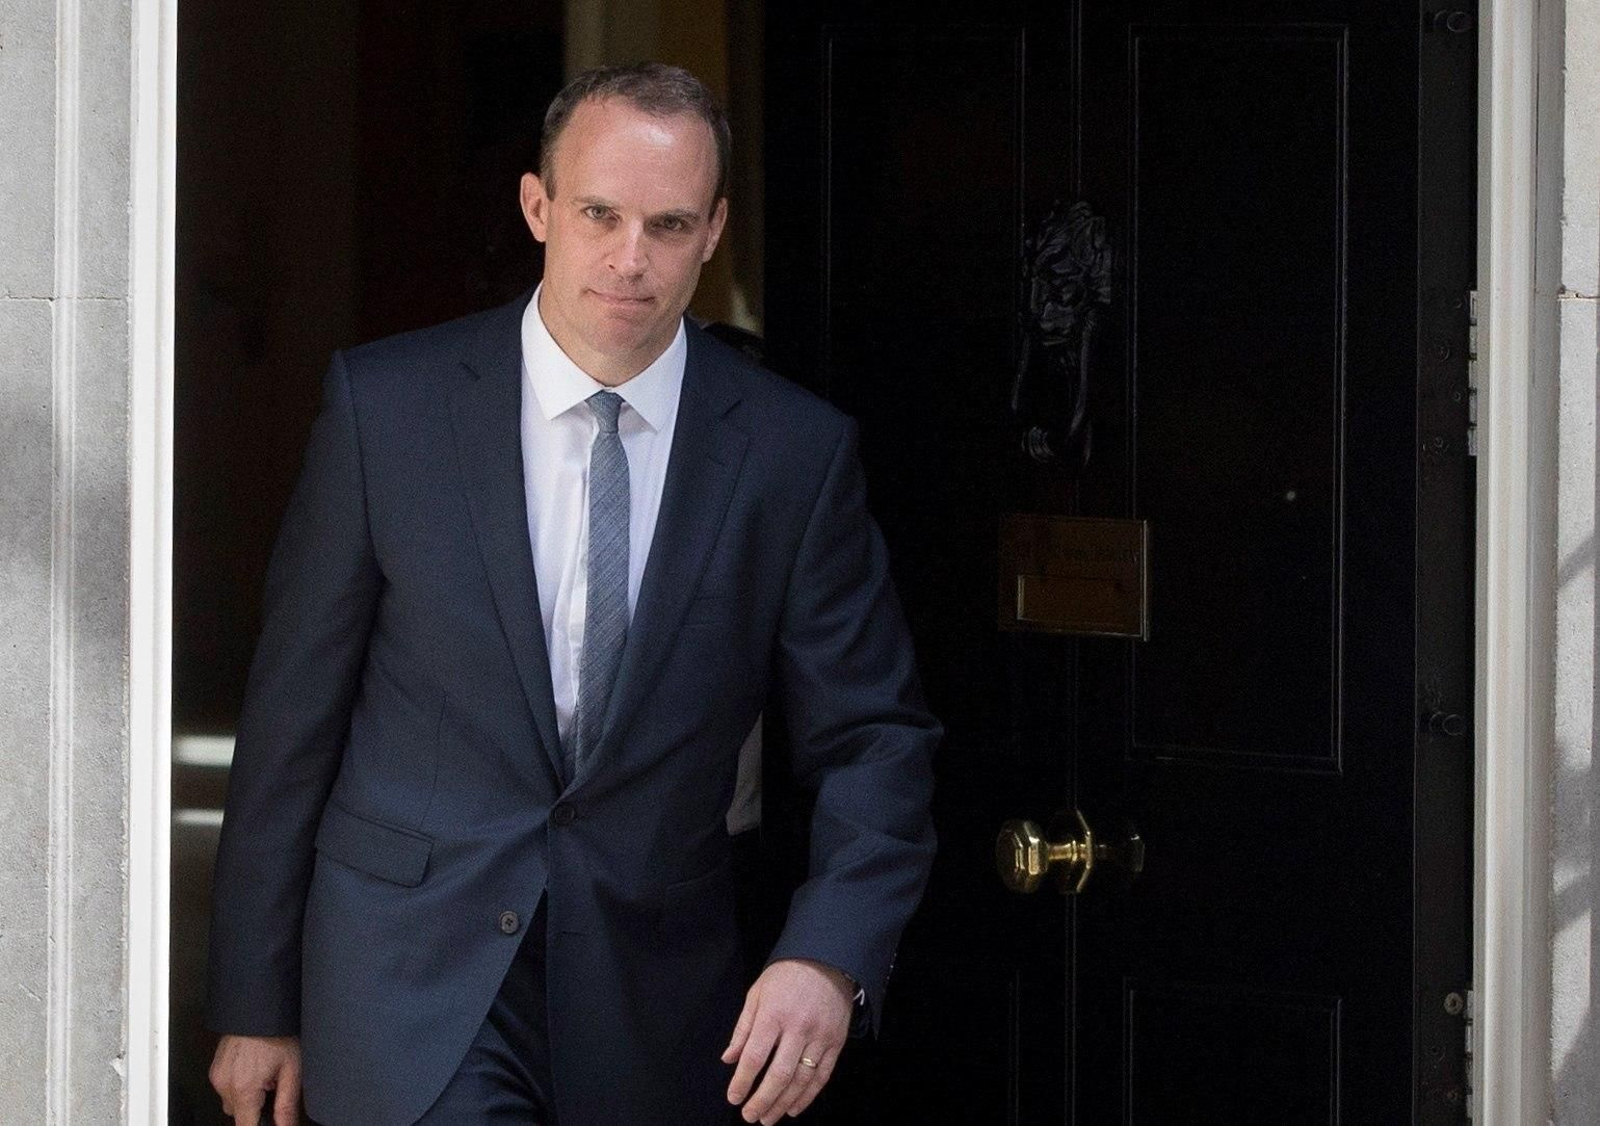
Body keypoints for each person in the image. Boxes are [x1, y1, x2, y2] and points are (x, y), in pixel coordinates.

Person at [204, 62, 939, 1126]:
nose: (630, 259)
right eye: (599, 212)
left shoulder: (792, 455)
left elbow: (874, 735)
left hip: (654, 1004)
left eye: (670, 224)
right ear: (537, 205)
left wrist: (828, 954)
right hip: (406, 979)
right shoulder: (386, 410)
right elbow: (291, 721)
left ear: (716, 229)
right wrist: (254, 999)